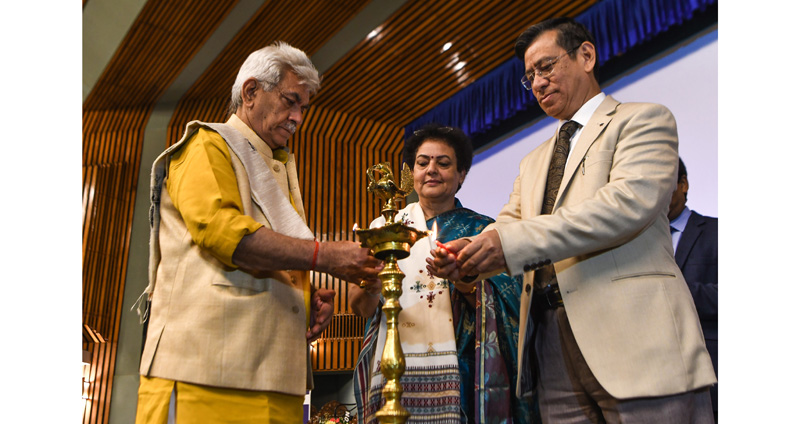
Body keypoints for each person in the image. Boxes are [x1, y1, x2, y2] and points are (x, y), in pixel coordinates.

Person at [427, 18, 716, 423]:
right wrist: (468, 255)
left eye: (546, 67)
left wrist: (505, 245)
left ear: (586, 55)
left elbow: (624, 206)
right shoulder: (533, 161)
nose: (539, 82)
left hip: (636, 342)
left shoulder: (643, 119)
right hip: (549, 345)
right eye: (530, 77)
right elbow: (507, 226)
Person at [134, 41, 383, 424]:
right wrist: (326, 256)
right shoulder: (207, 146)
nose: (298, 117)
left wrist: (302, 292)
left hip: (277, 380)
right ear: (251, 92)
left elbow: (270, 252)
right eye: (290, 101)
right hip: (204, 373)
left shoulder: (277, 165)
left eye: (304, 108)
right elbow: (227, 235)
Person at [350, 124, 535, 423]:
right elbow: (360, 308)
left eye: (444, 163)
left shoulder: (483, 231)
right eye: (423, 163)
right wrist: (372, 283)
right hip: (395, 367)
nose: (432, 170)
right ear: (410, 174)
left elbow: (509, 305)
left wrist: (460, 277)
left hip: (462, 368)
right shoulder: (384, 230)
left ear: (461, 174)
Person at [668, 157, 719, 421]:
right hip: (654, 390)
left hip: (712, 380)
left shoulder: (718, 232)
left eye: (662, 184)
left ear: (683, 184)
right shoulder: (633, 248)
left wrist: (671, 292)